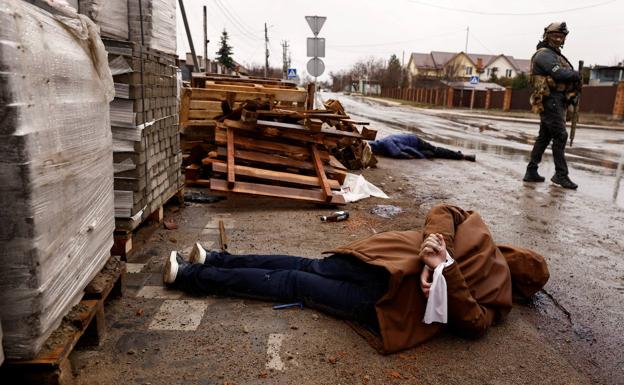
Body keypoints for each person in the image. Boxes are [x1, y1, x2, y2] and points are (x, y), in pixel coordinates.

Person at [163, 204, 549, 354]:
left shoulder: (480, 232)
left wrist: (442, 259)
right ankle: (193, 274)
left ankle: (212, 260)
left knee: (303, 267)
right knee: (297, 280)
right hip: (384, 295)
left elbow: (444, 210)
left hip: (379, 269)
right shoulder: (493, 269)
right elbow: (475, 324)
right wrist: (440, 260)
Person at [524, 22, 581, 189]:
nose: (558, 37)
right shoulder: (544, 55)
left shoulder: (555, 54)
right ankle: (560, 175)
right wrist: (576, 74)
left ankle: (531, 171)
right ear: (547, 35)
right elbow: (558, 73)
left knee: (544, 137)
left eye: (561, 35)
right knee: (561, 136)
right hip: (549, 100)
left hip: (555, 99)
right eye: (555, 34)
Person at [368, 134, 476, 162]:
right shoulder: (383, 144)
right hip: (414, 146)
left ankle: (462, 155)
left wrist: (409, 156)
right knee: (433, 154)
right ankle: (455, 154)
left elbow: (396, 152)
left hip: (416, 141)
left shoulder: (386, 142)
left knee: (435, 150)